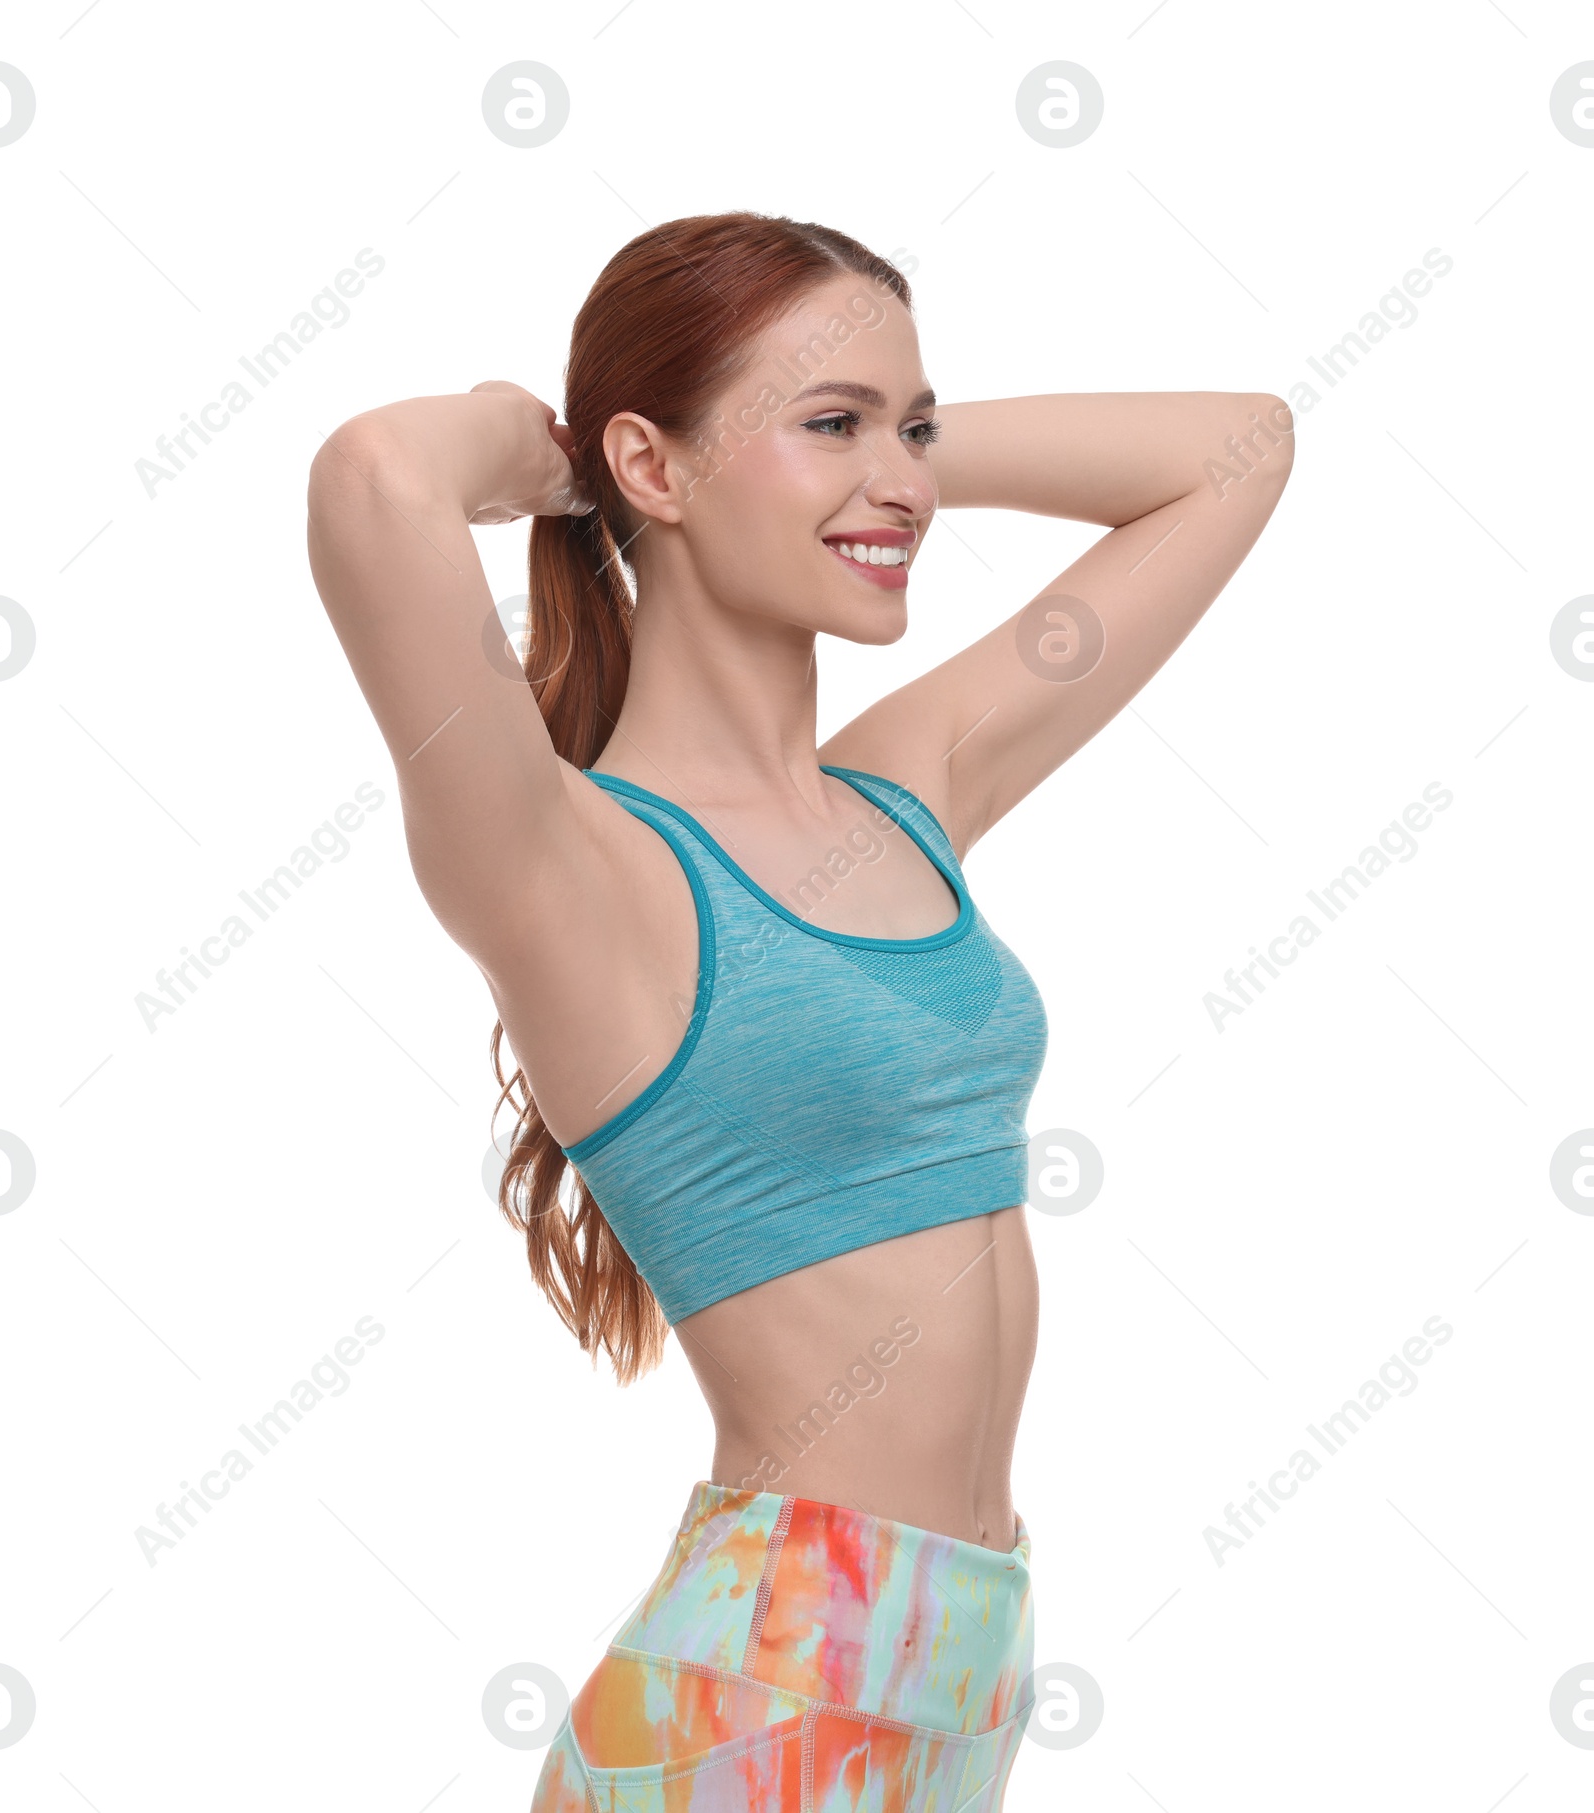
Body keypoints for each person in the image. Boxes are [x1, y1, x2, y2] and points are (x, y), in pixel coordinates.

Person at [306, 210, 1294, 1808]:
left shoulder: (908, 792)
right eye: (832, 421)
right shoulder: (574, 865)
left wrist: (874, 464)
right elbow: (371, 478)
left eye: (910, 424)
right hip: (760, 1693)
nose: (897, 476)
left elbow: (1239, 451)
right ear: (650, 464)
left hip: (963, 1665)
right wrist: (548, 450)